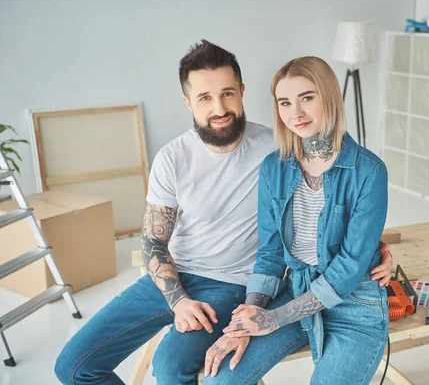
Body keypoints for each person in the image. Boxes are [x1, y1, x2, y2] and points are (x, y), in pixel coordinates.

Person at [54, 40, 392, 385]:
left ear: (242, 91)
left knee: (171, 367)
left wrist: (374, 248)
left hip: (241, 286)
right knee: (72, 367)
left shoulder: (279, 145)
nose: (219, 107)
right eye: (204, 97)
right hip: (185, 277)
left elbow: (341, 225)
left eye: (227, 93)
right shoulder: (194, 159)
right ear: (188, 102)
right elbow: (157, 239)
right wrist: (182, 301)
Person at [203, 56, 389, 385]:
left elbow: (349, 267)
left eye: (307, 98)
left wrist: (275, 318)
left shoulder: (369, 171)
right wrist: (247, 319)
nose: (296, 113)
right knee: (221, 380)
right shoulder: (274, 168)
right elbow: (271, 253)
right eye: (285, 102)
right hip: (295, 290)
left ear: (329, 95)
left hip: (355, 307)